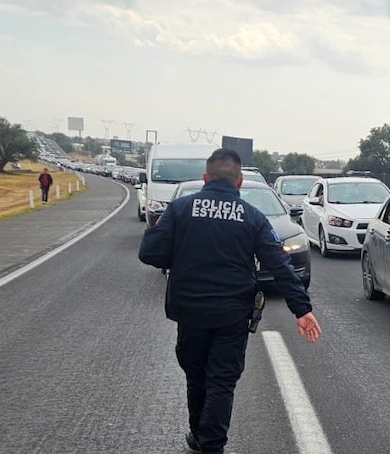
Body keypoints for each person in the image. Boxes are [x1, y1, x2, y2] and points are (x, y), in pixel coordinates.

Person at [138, 148, 321, 454]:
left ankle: (199, 435)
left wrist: (182, 257)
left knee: (197, 375)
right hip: (232, 315)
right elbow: (279, 265)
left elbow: (149, 252)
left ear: (205, 179)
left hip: (190, 311)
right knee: (221, 381)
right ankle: (211, 446)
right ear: (238, 183)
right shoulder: (253, 218)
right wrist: (302, 310)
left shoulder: (181, 209)